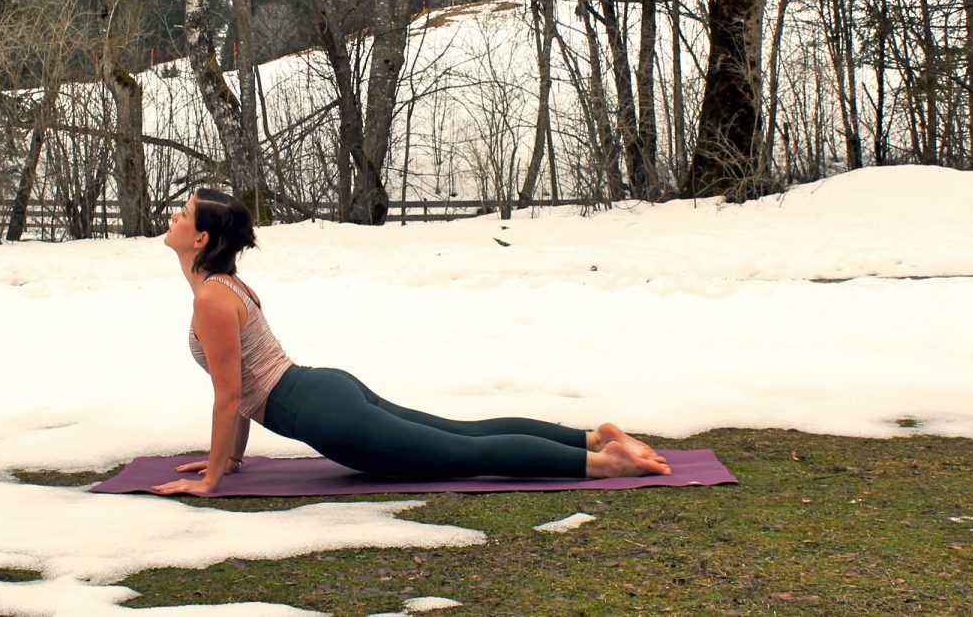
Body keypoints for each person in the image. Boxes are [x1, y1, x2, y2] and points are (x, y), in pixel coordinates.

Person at [152, 188, 672, 496]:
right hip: (322, 391)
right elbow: (240, 387)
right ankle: (591, 438)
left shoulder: (212, 300)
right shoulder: (227, 287)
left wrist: (213, 479)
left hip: (327, 415)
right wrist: (231, 461)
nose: (174, 216)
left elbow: (229, 394)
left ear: (201, 240)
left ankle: (608, 463)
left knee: (463, 453)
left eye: (184, 212)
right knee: (463, 435)